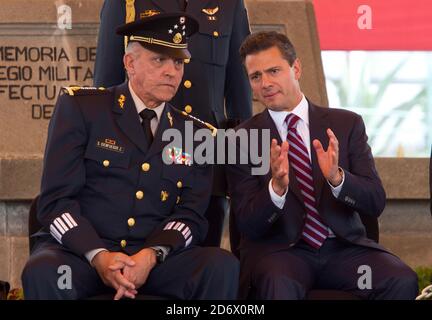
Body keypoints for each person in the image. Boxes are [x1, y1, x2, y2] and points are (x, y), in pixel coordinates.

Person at [21, 12, 239, 300]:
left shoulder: (195, 133)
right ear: (129, 63)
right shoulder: (82, 109)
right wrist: (98, 256)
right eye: (159, 60)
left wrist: (151, 255)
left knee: (220, 266)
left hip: (154, 263)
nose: (171, 71)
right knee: (45, 271)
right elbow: (54, 202)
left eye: (178, 62)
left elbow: (191, 216)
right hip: (82, 256)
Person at [227, 31, 418, 299]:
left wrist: (338, 179)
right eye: (255, 77)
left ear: (296, 68)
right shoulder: (241, 139)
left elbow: (375, 201)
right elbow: (247, 224)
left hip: (343, 252)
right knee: (279, 284)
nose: (265, 83)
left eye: (274, 71)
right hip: (283, 254)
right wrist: (276, 190)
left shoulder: (346, 124)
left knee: (400, 280)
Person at [93, 0, 253, 248]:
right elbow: (106, 86)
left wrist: (242, 171)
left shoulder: (229, 3)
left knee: (203, 259)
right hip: (143, 153)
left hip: (205, 157)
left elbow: (239, 92)